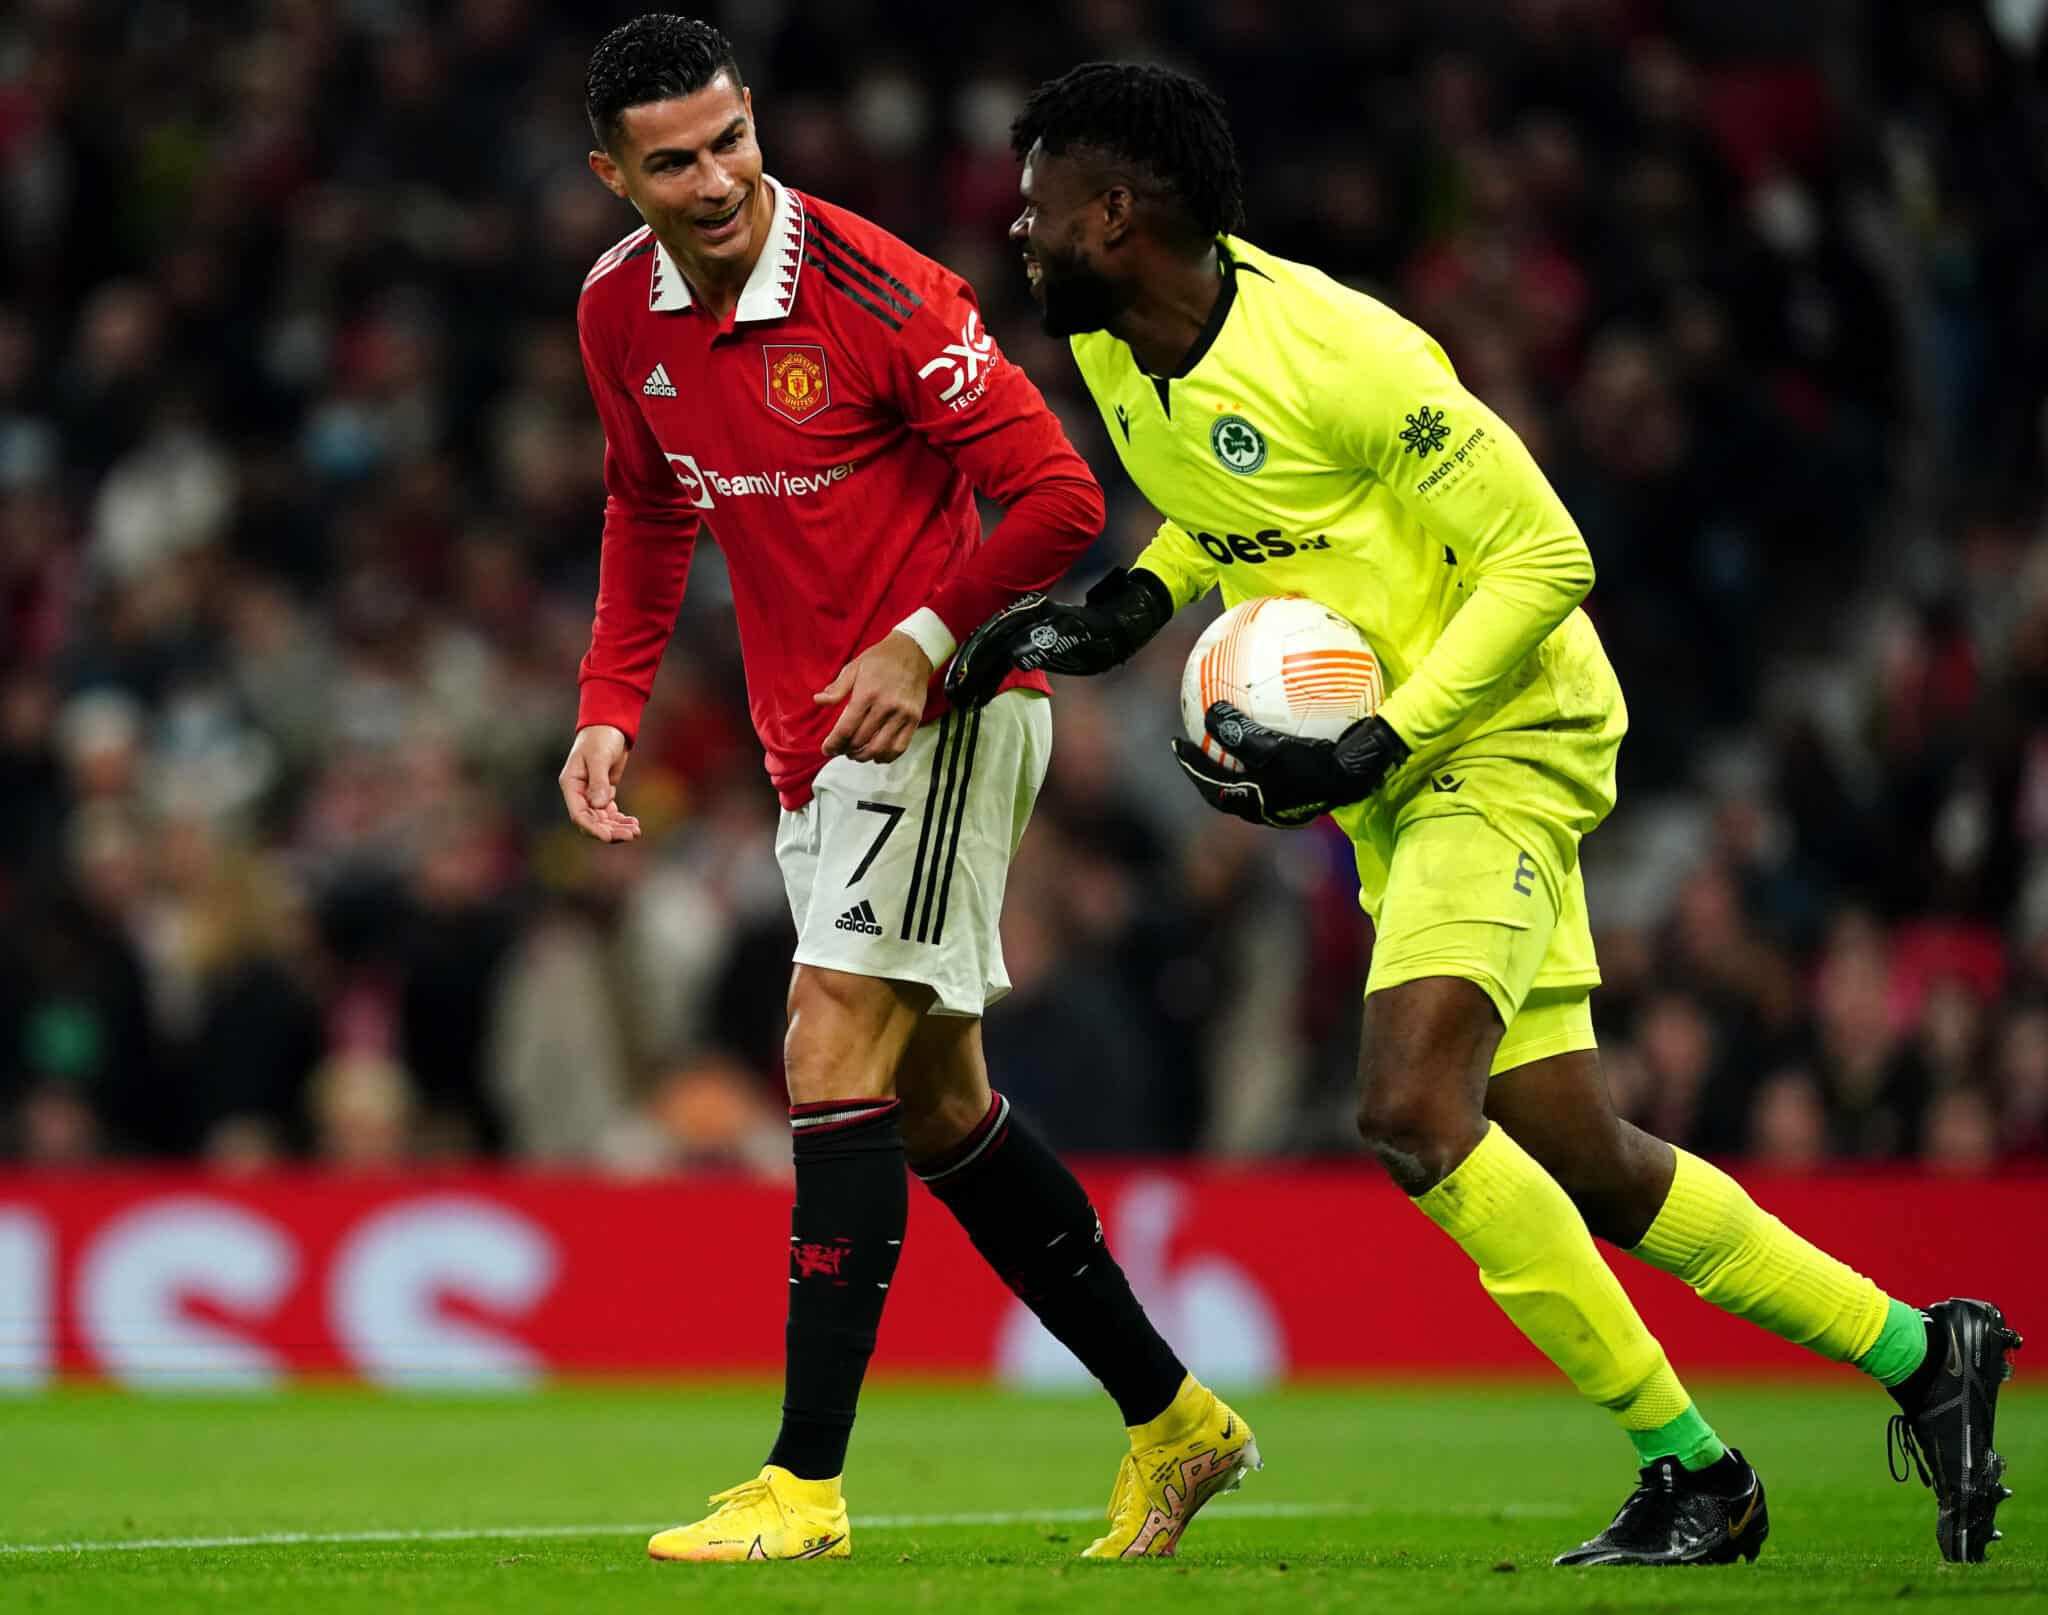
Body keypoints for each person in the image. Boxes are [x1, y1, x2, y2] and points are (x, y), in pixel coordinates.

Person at [947, 60, 2020, 1567]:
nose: (1018, 232)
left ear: (1118, 217)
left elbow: (1545, 555)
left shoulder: (1345, 352)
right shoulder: (1123, 352)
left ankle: (1694, 1470)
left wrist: (1387, 734)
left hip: (1502, 726)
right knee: (1578, 1149)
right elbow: (1240, 505)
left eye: (1040, 208)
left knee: (1408, 1107)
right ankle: (1927, 1352)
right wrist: (1133, 603)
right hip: (1396, 774)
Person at [561, 19, 1256, 1565]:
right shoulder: (622, 310)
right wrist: (610, 704)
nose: (718, 176)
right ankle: (1178, 1419)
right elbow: (645, 503)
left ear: (756, 124)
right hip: (812, 740)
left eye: (732, 137)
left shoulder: (877, 291)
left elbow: (1063, 495)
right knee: (938, 1108)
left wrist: (928, 640)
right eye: (673, 159)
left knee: (826, 1037)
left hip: (941, 714)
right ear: (617, 176)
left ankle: (803, 1487)